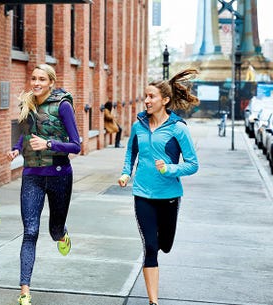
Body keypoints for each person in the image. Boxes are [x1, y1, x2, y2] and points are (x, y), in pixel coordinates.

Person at [118, 68, 200, 305]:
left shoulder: (178, 128)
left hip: (169, 195)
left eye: (151, 96)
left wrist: (170, 169)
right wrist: (125, 174)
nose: (146, 100)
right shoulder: (138, 126)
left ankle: (164, 242)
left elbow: (193, 164)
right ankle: (154, 301)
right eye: (145, 96)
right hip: (142, 193)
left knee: (165, 244)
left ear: (165, 100)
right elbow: (130, 153)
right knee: (150, 247)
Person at [6, 64, 81, 305]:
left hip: (59, 174)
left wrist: (49, 144)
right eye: (33, 78)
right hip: (32, 175)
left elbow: (77, 145)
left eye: (41, 79)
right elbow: (25, 134)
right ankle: (25, 290)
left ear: (51, 82)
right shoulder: (27, 103)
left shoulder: (63, 106)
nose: (36, 83)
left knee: (54, 230)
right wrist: (16, 149)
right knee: (30, 232)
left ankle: (61, 234)